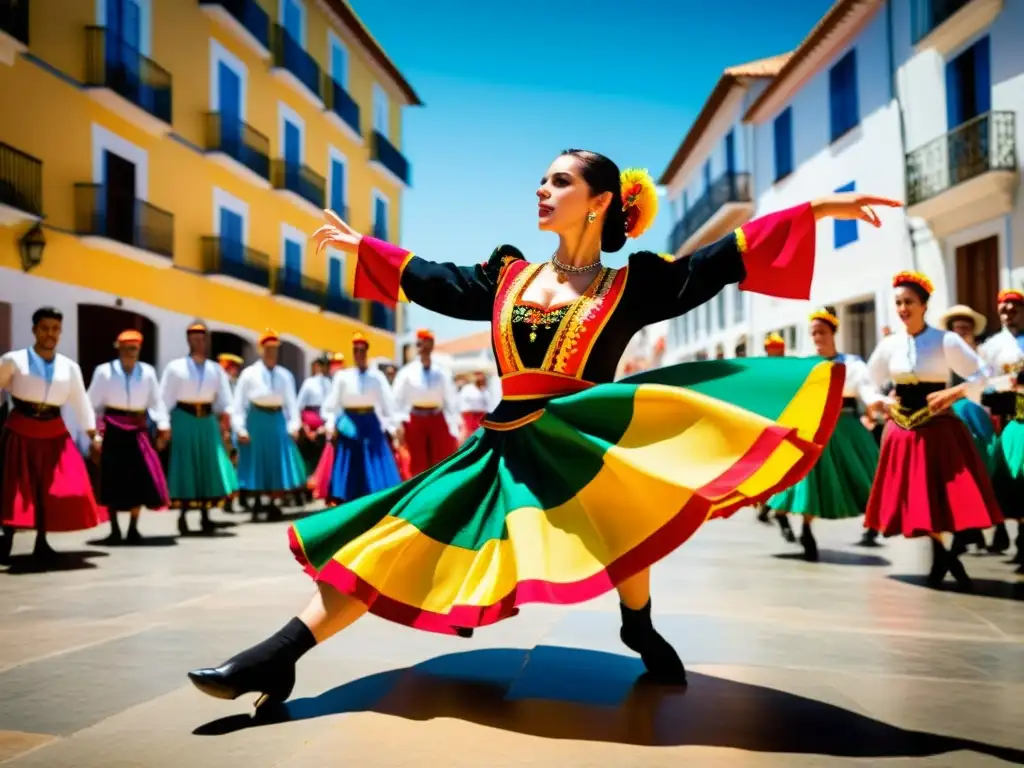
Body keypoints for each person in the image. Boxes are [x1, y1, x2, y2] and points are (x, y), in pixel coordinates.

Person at [187, 149, 898, 709]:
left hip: (585, 442)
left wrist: (815, 209)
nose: (541, 190)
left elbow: (717, 263)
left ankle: (638, 624)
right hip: (502, 443)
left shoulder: (632, 286)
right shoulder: (508, 279)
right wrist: (362, 245)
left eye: (557, 181)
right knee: (396, 538)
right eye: (541, 180)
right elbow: (432, 278)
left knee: (627, 523)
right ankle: (276, 657)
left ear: (598, 203)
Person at [863, 272, 1003, 590]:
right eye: (898, 302)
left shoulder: (945, 340)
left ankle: (947, 552)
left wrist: (954, 393)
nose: (903, 308)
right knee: (916, 496)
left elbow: (985, 372)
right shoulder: (889, 345)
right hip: (902, 429)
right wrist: (879, 401)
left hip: (938, 427)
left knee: (946, 493)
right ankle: (944, 554)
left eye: (909, 302)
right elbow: (868, 380)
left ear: (924, 305)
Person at [764, 308, 882, 559]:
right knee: (811, 481)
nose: (818, 337)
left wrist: (878, 405)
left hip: (847, 426)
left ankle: (875, 522)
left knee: (869, 475)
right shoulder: (807, 365)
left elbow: (867, 389)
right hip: (816, 427)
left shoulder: (851, 363)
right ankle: (806, 528)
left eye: (823, 332)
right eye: (814, 333)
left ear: (833, 333)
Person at [0, 307, 105, 562]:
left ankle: (42, 540)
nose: (50, 334)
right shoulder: (14, 360)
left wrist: (93, 435)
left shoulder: (69, 367)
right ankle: (8, 537)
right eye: (45, 328)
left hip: (53, 430)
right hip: (21, 427)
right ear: (35, 329)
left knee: (57, 487)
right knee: (17, 486)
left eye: (55, 329)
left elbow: (81, 402)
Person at [87, 329, 171, 544]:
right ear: (118, 348)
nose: (129, 352)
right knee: (112, 480)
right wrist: (93, 434)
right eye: (125, 348)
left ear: (139, 349)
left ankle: (133, 528)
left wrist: (163, 425)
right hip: (113, 429)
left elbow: (157, 402)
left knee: (138, 479)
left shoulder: (148, 372)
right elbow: (92, 404)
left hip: (137, 429)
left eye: (133, 348)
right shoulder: (104, 372)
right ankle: (114, 529)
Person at [162, 324, 237, 535]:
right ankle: (183, 515)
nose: (199, 342)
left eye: (203, 338)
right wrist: (163, 424)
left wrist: (227, 414)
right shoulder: (175, 368)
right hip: (184, 418)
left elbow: (225, 397)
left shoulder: (216, 369)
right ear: (188, 341)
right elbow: (165, 398)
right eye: (195, 339)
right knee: (185, 466)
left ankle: (206, 515)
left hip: (206, 420)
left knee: (207, 466)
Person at [312, 333, 401, 503]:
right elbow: (331, 405)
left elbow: (387, 403)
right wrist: (332, 424)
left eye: (362, 350)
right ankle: (347, 497)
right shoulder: (342, 377)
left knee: (374, 462)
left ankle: (374, 498)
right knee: (350, 464)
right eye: (356, 350)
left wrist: (392, 426)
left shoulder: (377, 377)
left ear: (366, 352)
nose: (359, 354)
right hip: (349, 423)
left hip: (370, 421)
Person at [231, 330, 305, 519]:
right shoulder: (249, 374)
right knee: (257, 461)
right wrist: (240, 427)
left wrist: (294, 425)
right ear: (261, 350)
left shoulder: (285, 375)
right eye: (268, 349)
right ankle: (256, 502)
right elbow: (238, 403)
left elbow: (292, 403)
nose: (271, 353)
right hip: (256, 418)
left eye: (274, 349)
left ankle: (273, 503)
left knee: (275, 462)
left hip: (277, 419)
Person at [979, 288, 1024, 569]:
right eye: (1003, 309)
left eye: (1014, 308)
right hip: (1003, 416)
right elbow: (982, 382)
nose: (1008, 313)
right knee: (1006, 477)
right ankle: (1007, 533)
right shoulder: (992, 346)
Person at [392, 329, 461, 476]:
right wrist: (397, 424)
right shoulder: (406, 372)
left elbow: (451, 400)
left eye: (427, 344)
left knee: (441, 460)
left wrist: (455, 425)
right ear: (416, 346)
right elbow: (397, 400)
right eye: (420, 344)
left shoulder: (442, 372)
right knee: (417, 464)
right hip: (415, 420)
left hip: (437, 418)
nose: (423, 348)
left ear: (432, 346)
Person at [295, 354, 333, 499]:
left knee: (321, 457)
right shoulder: (309, 383)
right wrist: (305, 427)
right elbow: (300, 406)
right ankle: (305, 488)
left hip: (323, 425)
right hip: (309, 423)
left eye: (326, 365)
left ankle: (319, 486)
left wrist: (324, 427)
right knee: (307, 458)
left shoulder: (330, 384)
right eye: (321, 364)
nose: (323, 368)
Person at [457, 368, 491, 440]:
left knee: (480, 435)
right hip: (469, 415)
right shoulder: (467, 388)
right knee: (468, 434)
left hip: (481, 415)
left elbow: (488, 404)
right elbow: (462, 403)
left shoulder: (485, 390)